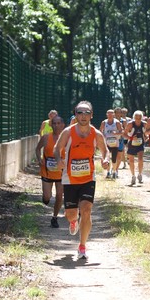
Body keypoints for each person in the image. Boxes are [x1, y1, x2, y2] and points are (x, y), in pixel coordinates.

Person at [54, 100, 110, 260]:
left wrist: (105, 160)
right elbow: (57, 149)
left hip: (88, 178)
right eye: (80, 112)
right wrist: (58, 159)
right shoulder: (68, 132)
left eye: (87, 113)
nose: (83, 116)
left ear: (91, 115)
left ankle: (82, 246)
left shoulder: (96, 134)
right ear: (75, 115)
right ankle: (73, 220)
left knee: (86, 210)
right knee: (72, 214)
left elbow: (105, 151)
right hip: (70, 178)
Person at [35, 116, 65, 228]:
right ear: (51, 125)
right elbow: (37, 149)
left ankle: (54, 217)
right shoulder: (46, 138)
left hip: (61, 172)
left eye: (59, 123)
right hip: (47, 171)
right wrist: (39, 159)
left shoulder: (67, 139)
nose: (57, 125)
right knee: (47, 197)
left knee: (59, 196)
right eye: (54, 123)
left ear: (63, 125)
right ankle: (45, 198)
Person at [100, 109, 123, 179]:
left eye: (111, 114)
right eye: (108, 114)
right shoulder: (104, 122)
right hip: (106, 143)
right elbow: (100, 131)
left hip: (115, 143)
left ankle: (114, 171)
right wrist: (103, 136)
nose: (110, 116)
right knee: (107, 158)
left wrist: (116, 133)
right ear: (107, 115)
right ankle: (108, 172)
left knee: (114, 158)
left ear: (114, 115)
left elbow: (122, 132)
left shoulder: (117, 123)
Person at [124, 110, 146, 185]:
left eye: (139, 118)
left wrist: (147, 136)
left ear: (141, 118)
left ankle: (140, 174)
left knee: (140, 159)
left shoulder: (144, 124)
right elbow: (124, 134)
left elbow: (147, 132)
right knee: (131, 161)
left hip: (140, 144)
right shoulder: (130, 124)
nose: (138, 120)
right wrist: (131, 138)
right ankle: (133, 176)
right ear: (134, 118)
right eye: (136, 118)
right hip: (131, 144)